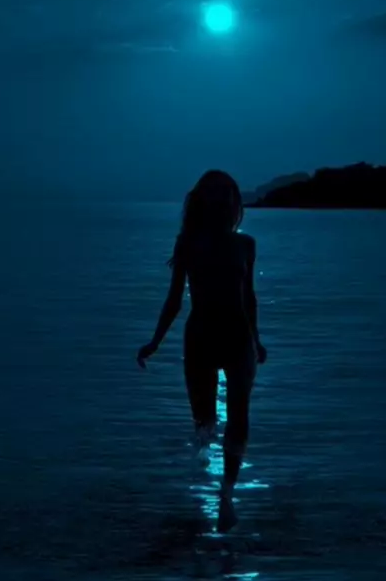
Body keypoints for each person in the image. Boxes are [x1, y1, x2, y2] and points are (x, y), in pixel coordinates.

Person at [136, 169, 267, 533]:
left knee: (239, 415)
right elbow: (175, 300)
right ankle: (197, 490)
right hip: (201, 340)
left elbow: (249, 298)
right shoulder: (189, 244)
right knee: (204, 422)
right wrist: (155, 342)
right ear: (205, 202)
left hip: (239, 338)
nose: (224, 201)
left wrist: (257, 340)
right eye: (217, 194)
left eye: (228, 194)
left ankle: (226, 493)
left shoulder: (246, 245)